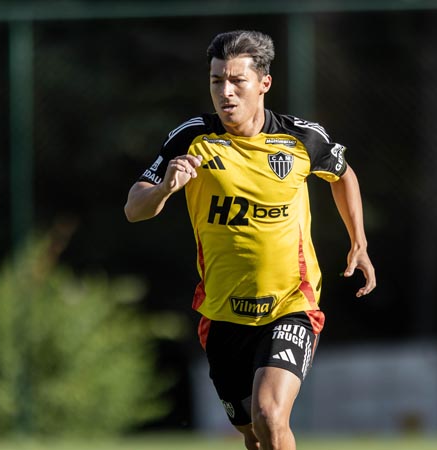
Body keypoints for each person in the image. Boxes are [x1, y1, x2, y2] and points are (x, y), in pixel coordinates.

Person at [124, 30, 376, 450]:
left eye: (237, 81)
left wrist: (359, 240)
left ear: (264, 83)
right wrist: (166, 188)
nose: (226, 92)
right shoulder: (192, 137)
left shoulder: (300, 139)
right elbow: (134, 208)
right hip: (222, 314)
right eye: (216, 80)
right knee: (253, 435)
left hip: (290, 304)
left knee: (269, 414)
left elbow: (342, 173)